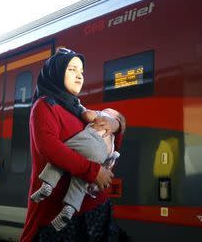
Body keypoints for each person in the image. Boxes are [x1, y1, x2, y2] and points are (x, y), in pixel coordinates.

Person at [21, 48, 126, 242]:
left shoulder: (77, 108)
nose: (79, 75)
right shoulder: (45, 106)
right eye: (72, 69)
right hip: (58, 214)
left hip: (95, 210)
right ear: (57, 72)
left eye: (82, 71)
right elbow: (50, 148)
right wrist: (93, 172)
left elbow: (109, 144)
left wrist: (116, 125)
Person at [30, 107, 122, 231]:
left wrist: (88, 113)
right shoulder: (113, 138)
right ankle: (70, 208)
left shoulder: (103, 116)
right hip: (101, 155)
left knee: (62, 153)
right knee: (80, 182)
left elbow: (87, 115)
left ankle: (47, 184)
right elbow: (111, 159)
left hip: (89, 140)